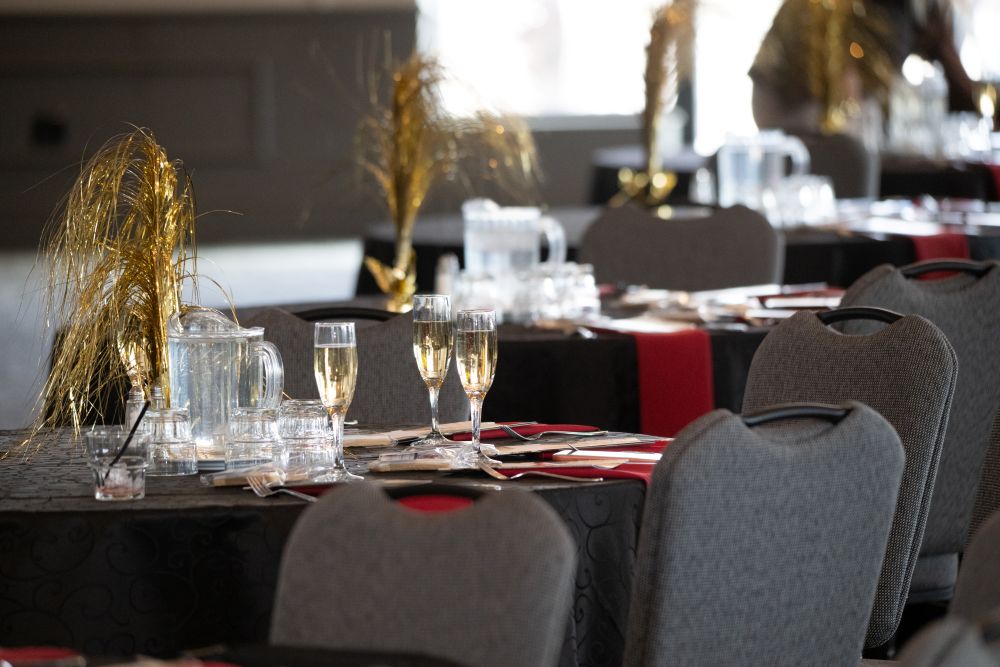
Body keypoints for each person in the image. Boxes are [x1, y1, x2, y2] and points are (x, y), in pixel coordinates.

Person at [749, 0, 980, 134]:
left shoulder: (924, 11)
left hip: (845, 112)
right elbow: (843, 59)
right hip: (791, 100)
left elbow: (960, 94)